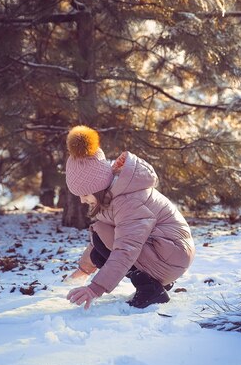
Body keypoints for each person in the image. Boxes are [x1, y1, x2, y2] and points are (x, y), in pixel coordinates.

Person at [64, 125, 195, 309]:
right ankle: (156, 282)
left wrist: (95, 288)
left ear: (98, 187)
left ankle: (151, 290)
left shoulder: (129, 201)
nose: (82, 200)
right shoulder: (115, 194)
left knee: (104, 239)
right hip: (165, 252)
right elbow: (100, 242)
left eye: (85, 193)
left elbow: (126, 249)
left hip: (171, 257)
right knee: (99, 242)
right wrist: (84, 269)